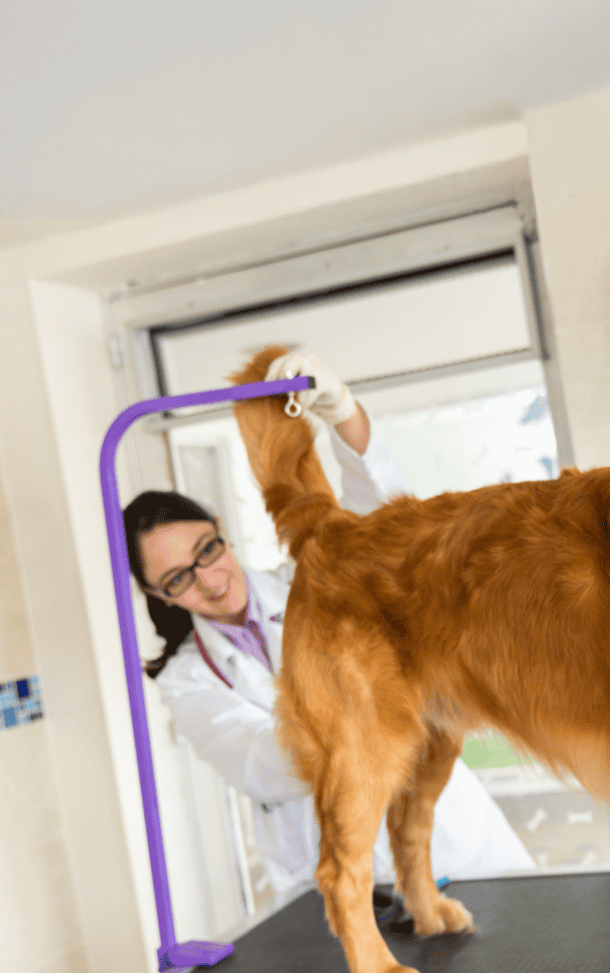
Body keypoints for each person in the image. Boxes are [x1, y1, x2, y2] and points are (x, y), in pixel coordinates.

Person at [123, 351, 534, 905]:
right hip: (344, 887)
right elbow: (255, 766)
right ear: (154, 594)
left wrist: (345, 417)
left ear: (222, 530)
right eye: (178, 579)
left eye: (208, 551)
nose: (212, 582)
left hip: (458, 851)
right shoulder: (188, 679)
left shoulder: (311, 582)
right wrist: (355, 713)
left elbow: (384, 530)